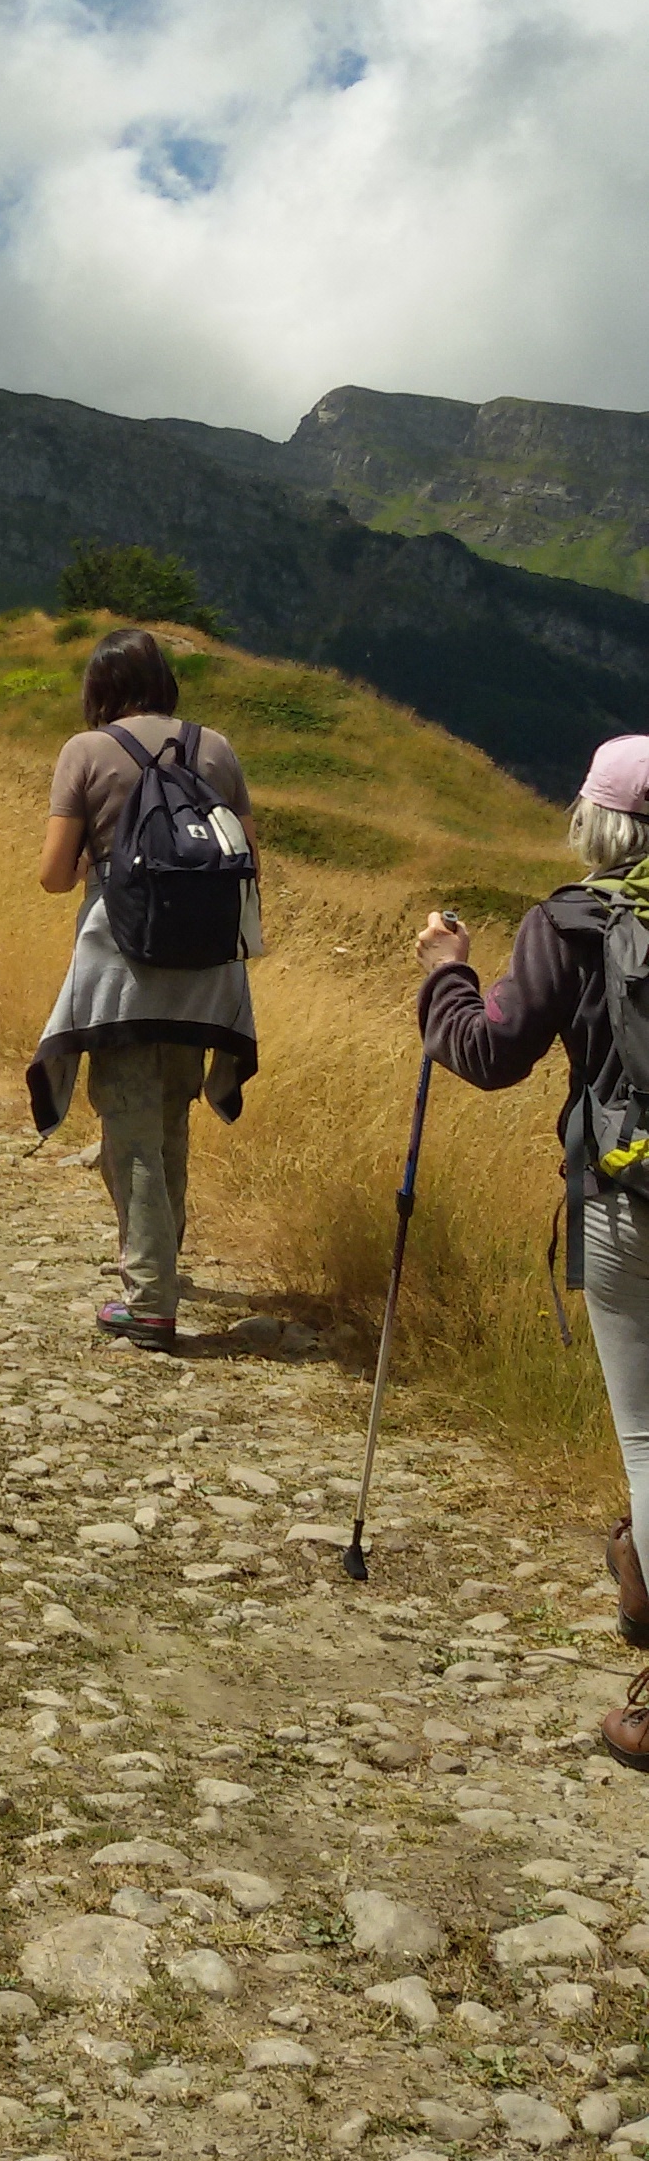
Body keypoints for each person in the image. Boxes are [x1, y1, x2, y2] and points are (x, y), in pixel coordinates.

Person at [417, 734, 649, 1766]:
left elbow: (488, 1052)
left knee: (648, 1441)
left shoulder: (572, 921)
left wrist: (446, 976)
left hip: (626, 1196)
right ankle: (637, 1572)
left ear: (596, 824)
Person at [29, 626, 261, 1350]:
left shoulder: (86, 752)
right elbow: (248, 854)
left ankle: (151, 1300)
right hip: (206, 970)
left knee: (127, 1128)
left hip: (121, 963)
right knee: (168, 1118)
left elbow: (54, 874)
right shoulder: (214, 748)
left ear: (101, 687)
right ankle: (156, 1270)